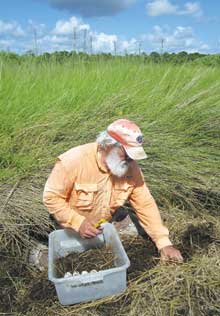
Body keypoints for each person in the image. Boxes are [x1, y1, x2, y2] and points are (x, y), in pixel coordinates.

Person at [43, 119, 183, 262]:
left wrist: (164, 244)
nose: (130, 159)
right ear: (109, 145)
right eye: (126, 153)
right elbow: (51, 197)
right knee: (60, 259)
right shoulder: (73, 161)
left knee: (136, 234)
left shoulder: (131, 168)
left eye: (132, 156)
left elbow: (145, 203)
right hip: (69, 228)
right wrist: (77, 222)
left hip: (104, 224)